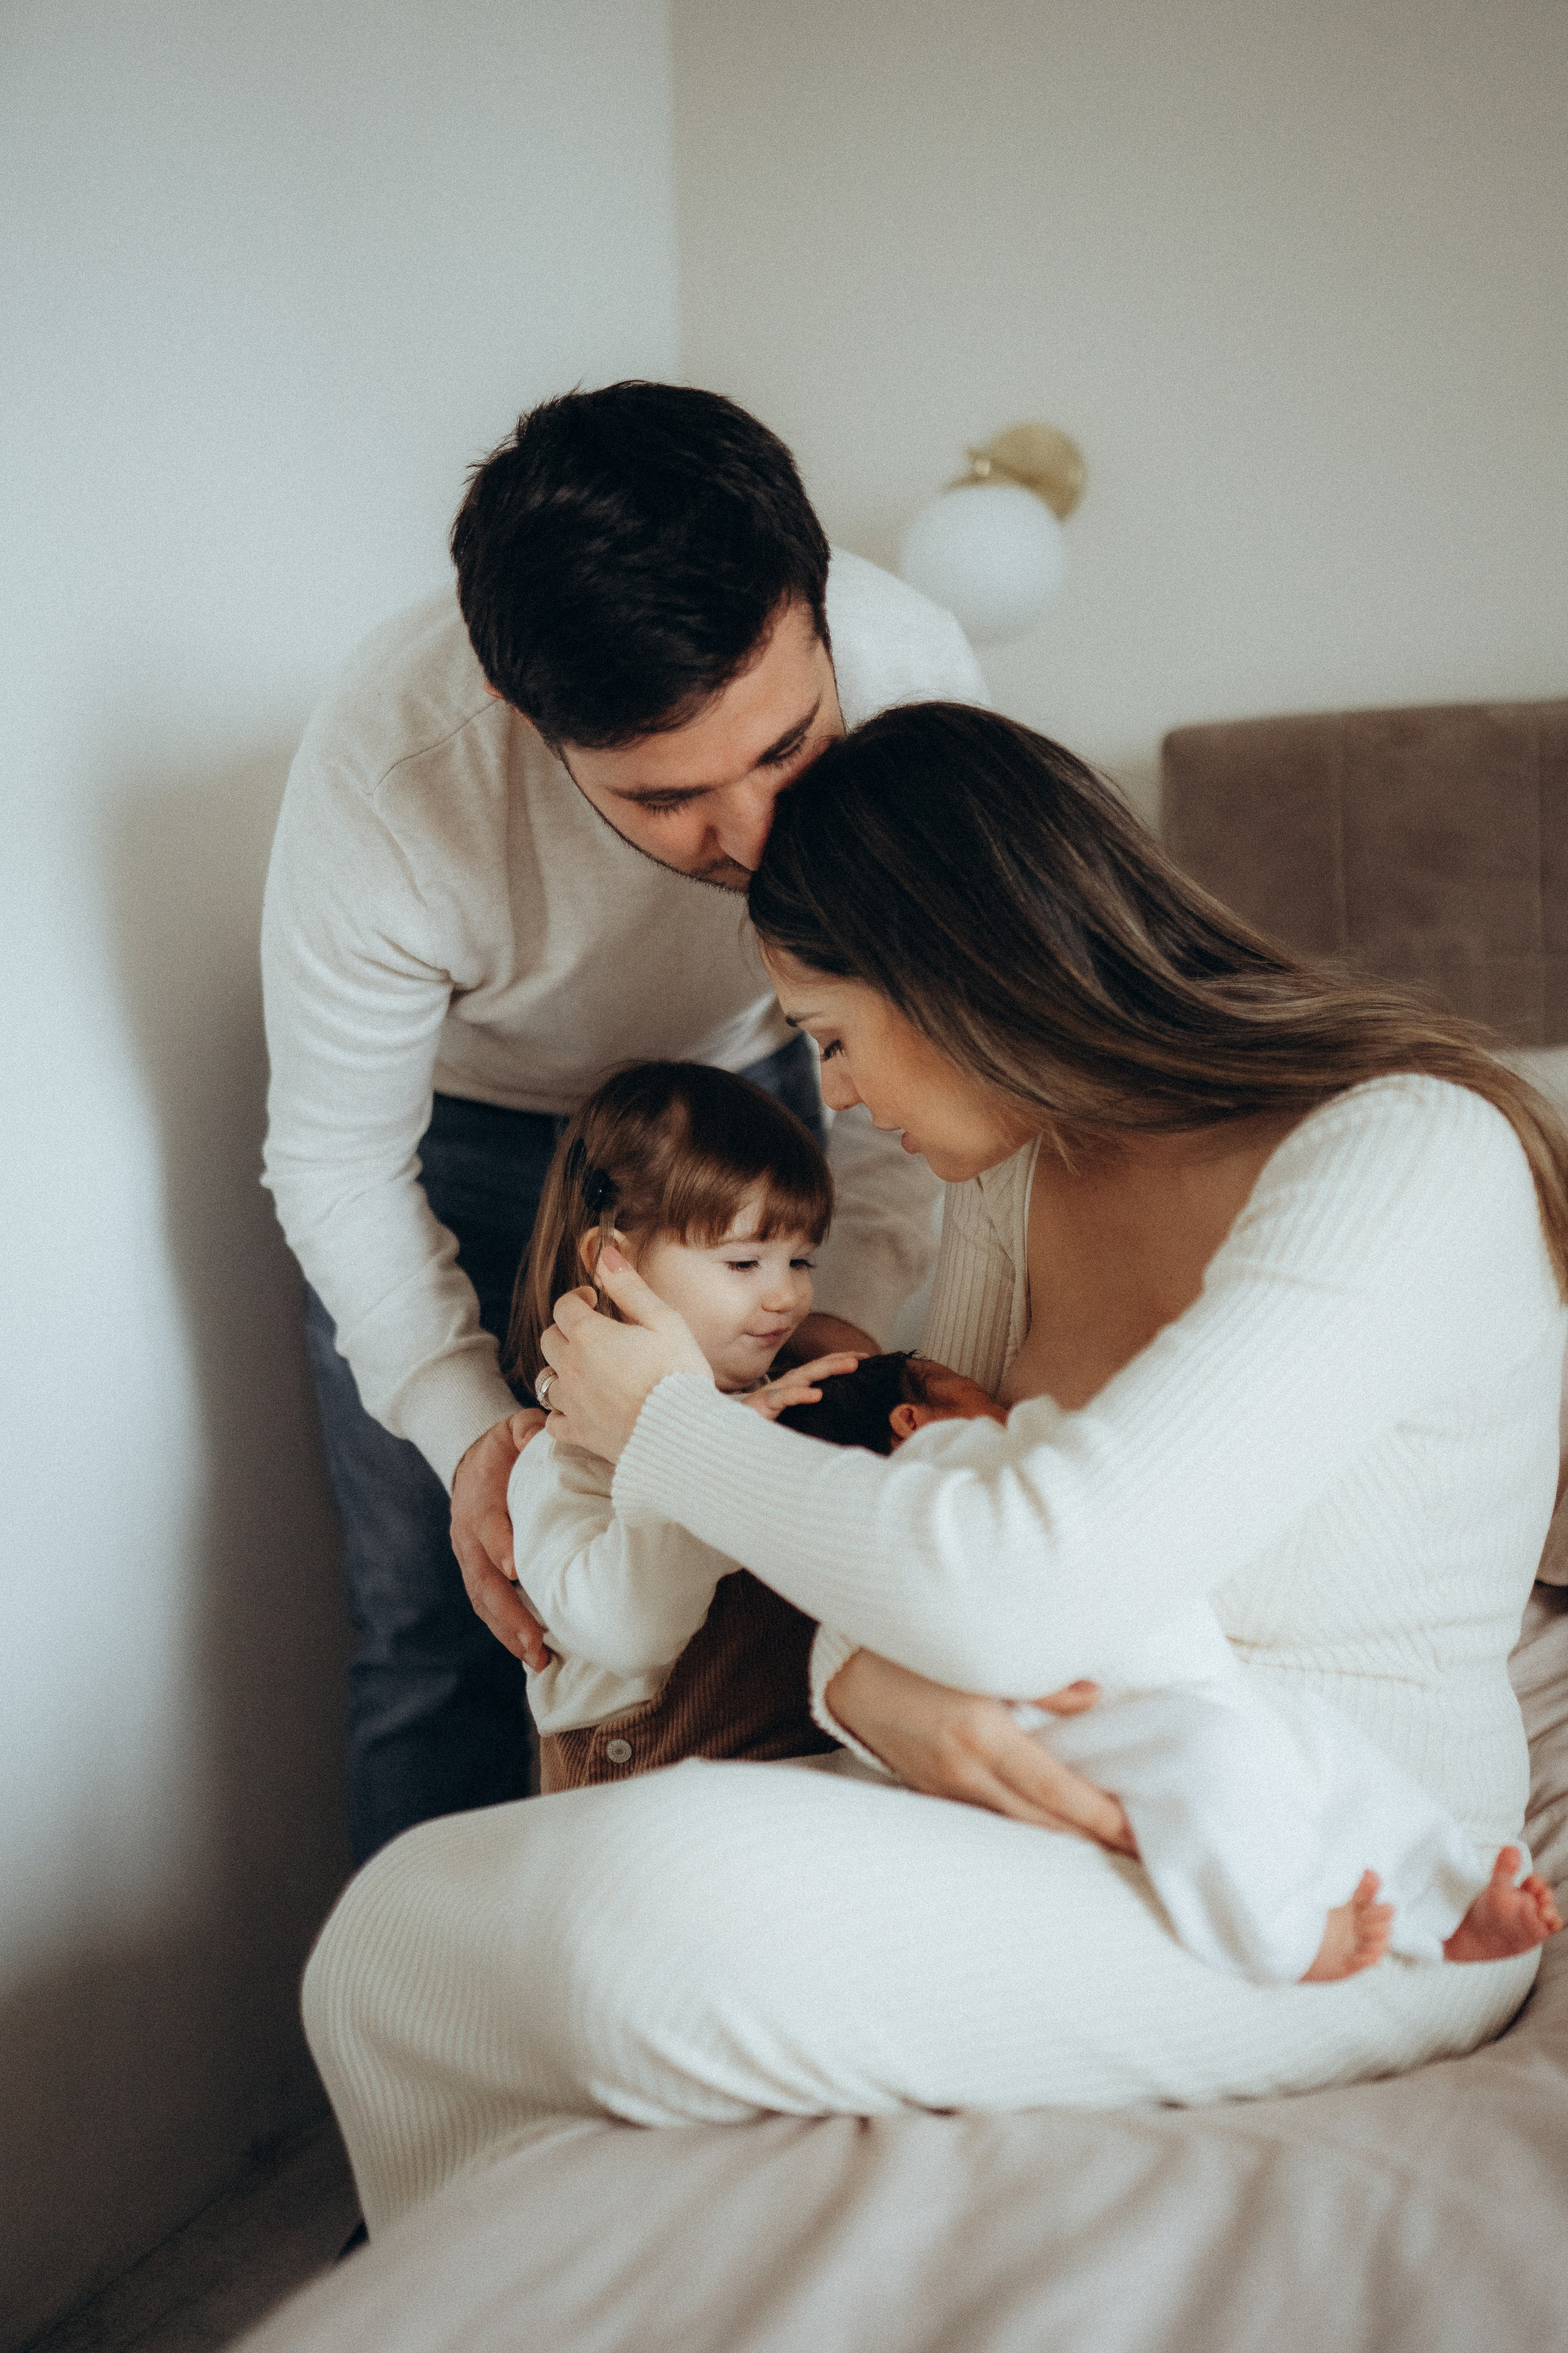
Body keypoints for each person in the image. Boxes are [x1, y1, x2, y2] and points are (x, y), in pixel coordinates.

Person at [302, 701, 1568, 2238]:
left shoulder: (1408, 1151)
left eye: (829, 1034)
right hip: (1039, 1788)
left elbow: (1017, 1572)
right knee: (389, 1935)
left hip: (1336, 1866)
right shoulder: (1026, 1170)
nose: (834, 1097)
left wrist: (667, 1429)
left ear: (958, 967)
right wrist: (865, 1680)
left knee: (616, 1908)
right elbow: (906, 1495)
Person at [261, 383, 983, 1860]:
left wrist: (836, 1310)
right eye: (667, 798)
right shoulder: (391, 772)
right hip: (466, 1133)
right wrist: (474, 1438)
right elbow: (335, 1157)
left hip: (756, 1093)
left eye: (786, 748)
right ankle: (443, 2070)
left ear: (820, 614)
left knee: (758, 1564)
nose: (758, 837)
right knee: (439, 1615)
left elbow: (916, 1048)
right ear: (527, 721)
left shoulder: (912, 665)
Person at [782, 1353, 1562, 1984]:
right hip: (1076, 1719)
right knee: (1208, 1763)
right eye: (969, 1388)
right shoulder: (944, 1470)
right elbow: (1057, 1452)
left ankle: (1448, 1897)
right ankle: (1282, 1933)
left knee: (1323, 1750)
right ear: (912, 1420)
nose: (995, 1395)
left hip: (1188, 1685)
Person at [503, 1061, 857, 1789]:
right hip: (640, 1785)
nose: (788, 1294)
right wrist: (685, 1447)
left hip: (792, 1767)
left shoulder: (782, 1400)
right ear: (616, 1264)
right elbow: (633, 1630)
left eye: (800, 1259)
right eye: (744, 1261)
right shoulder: (557, 1459)